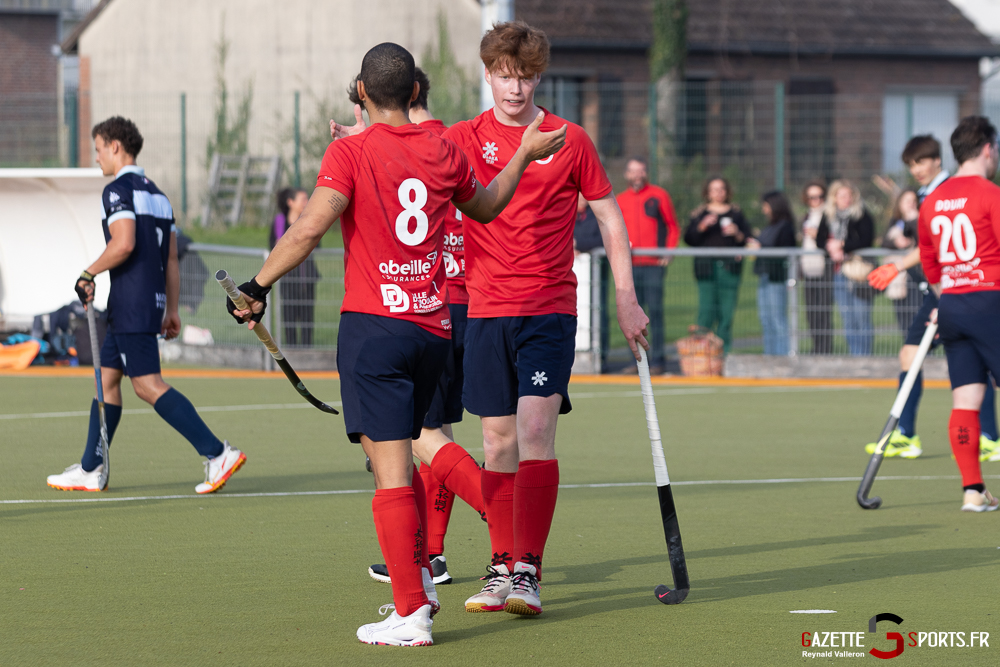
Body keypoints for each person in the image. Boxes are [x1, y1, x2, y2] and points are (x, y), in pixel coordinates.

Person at [230, 42, 566, 646]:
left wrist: (256, 287)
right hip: (434, 327)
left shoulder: (350, 151)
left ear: (361, 91)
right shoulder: (443, 148)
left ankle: (412, 612)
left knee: (389, 474)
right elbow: (487, 207)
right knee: (412, 452)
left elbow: (308, 229)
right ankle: (423, 583)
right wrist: (522, 153)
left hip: (375, 330)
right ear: (414, 92)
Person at [442, 21, 649, 616]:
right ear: (488, 74)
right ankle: (500, 566)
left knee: (535, 431)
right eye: (506, 76)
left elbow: (609, 217)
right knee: (496, 439)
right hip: (485, 310)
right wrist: (366, 136)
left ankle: (528, 570)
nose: (516, 88)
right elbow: (410, 160)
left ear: (540, 78)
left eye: (527, 77)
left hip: (548, 309)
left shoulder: (569, 138)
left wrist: (626, 297)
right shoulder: (462, 138)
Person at [47, 116, 246, 494]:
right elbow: (171, 259)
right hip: (143, 302)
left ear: (115, 147)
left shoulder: (117, 191)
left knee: (146, 385)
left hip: (131, 303)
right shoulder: (158, 195)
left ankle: (217, 453)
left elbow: (123, 243)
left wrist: (88, 272)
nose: (97, 158)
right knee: (107, 380)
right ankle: (91, 467)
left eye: (98, 150)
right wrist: (171, 309)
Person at [361, 67, 489, 588]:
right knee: (438, 431)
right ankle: (431, 555)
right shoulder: (456, 143)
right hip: (471, 303)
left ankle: (502, 514)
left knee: (418, 437)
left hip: (424, 306)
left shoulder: (392, 150)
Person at [867, 134, 999, 459]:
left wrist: (898, 265)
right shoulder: (926, 194)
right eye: (911, 165)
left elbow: (936, 248)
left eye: (921, 162)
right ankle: (906, 434)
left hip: (961, 289)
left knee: (976, 363)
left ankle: (988, 436)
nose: (916, 169)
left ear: (938, 160)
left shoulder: (950, 191)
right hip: (941, 289)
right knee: (910, 356)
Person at [917, 115, 1000, 510]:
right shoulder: (990, 194)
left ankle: (972, 491)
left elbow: (930, 262)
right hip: (990, 301)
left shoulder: (933, 200)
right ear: (987, 149)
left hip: (951, 304)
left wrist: (946, 297)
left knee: (965, 398)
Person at [616, 156, 679, 373]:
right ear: (627, 174)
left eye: (641, 170)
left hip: (653, 265)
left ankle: (659, 360)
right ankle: (637, 361)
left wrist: (669, 251)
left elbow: (672, 226)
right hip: (629, 267)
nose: (637, 175)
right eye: (633, 171)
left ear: (646, 173)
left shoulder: (659, 195)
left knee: (655, 312)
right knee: (630, 313)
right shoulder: (620, 200)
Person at [684, 177, 751, 354]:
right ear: (707, 193)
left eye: (721, 189)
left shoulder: (736, 214)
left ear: (727, 191)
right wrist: (702, 226)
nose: (718, 193)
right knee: (706, 310)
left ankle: (723, 353)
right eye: (714, 189)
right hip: (706, 269)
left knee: (726, 312)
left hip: (729, 269)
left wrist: (737, 233)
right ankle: (701, 354)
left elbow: (747, 239)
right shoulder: (699, 214)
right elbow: (689, 238)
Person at [819, 180, 874, 356]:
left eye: (849, 195)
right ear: (834, 197)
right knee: (847, 318)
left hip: (859, 273)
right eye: (842, 195)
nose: (846, 199)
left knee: (862, 316)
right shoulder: (828, 215)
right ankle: (854, 355)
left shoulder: (861, 214)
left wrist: (843, 245)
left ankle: (865, 356)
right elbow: (820, 240)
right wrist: (831, 248)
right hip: (838, 273)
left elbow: (866, 239)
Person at [747, 191, 796, 355]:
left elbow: (784, 252)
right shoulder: (770, 226)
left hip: (777, 278)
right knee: (766, 318)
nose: (764, 209)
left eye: (766, 205)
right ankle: (770, 356)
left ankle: (782, 356)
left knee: (777, 319)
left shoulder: (785, 227)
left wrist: (761, 248)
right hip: (764, 276)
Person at [270, 187, 320, 346]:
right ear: (290, 202)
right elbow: (272, 247)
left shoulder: (309, 221)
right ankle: (290, 351)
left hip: (307, 279)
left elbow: (318, 245)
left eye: (307, 199)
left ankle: (306, 351)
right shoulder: (279, 222)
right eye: (303, 199)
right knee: (289, 318)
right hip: (287, 279)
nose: (307, 202)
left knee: (307, 320)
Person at [573, 193, 610, 369]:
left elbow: (602, 239)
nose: (582, 197)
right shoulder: (565, 211)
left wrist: (576, 245)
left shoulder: (596, 214)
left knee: (599, 312)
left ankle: (601, 357)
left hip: (596, 274)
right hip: (572, 273)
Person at [880, 189, 921, 333]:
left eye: (914, 201)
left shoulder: (920, 220)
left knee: (916, 315)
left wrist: (914, 220)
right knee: (902, 317)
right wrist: (896, 242)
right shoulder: (895, 222)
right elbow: (884, 242)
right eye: (907, 201)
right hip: (898, 277)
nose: (911, 204)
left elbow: (923, 242)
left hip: (915, 275)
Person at [800, 181, 834, 354]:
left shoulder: (829, 215)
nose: (816, 200)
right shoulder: (806, 216)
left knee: (823, 311)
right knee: (811, 311)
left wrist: (818, 235)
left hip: (824, 268)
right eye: (812, 197)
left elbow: (830, 239)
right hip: (808, 269)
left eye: (820, 196)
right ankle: (816, 347)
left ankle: (825, 349)